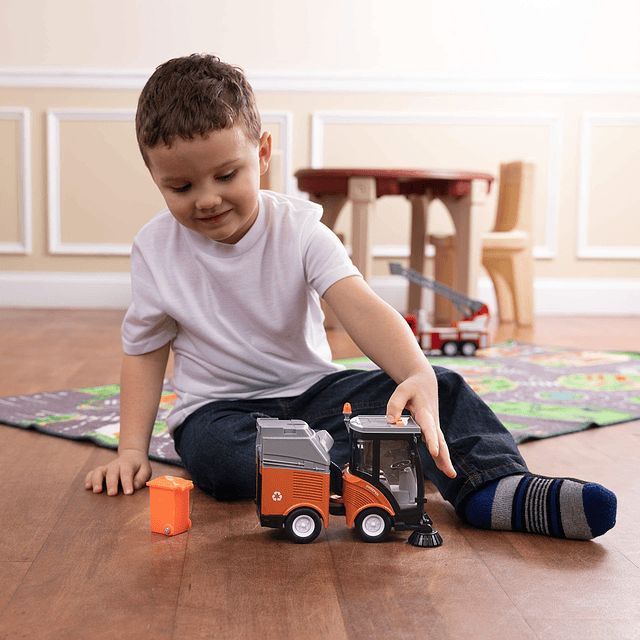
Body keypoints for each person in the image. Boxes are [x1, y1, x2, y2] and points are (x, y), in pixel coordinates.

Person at [85, 53, 616, 541]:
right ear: (155, 177)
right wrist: (132, 450)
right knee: (222, 459)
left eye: (227, 175)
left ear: (262, 154)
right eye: (180, 188)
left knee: (444, 388)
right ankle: (385, 474)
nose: (207, 199)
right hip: (222, 412)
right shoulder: (155, 250)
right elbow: (146, 350)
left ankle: (496, 486)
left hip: (315, 394)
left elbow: (357, 304)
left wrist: (416, 373)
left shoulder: (300, 229)